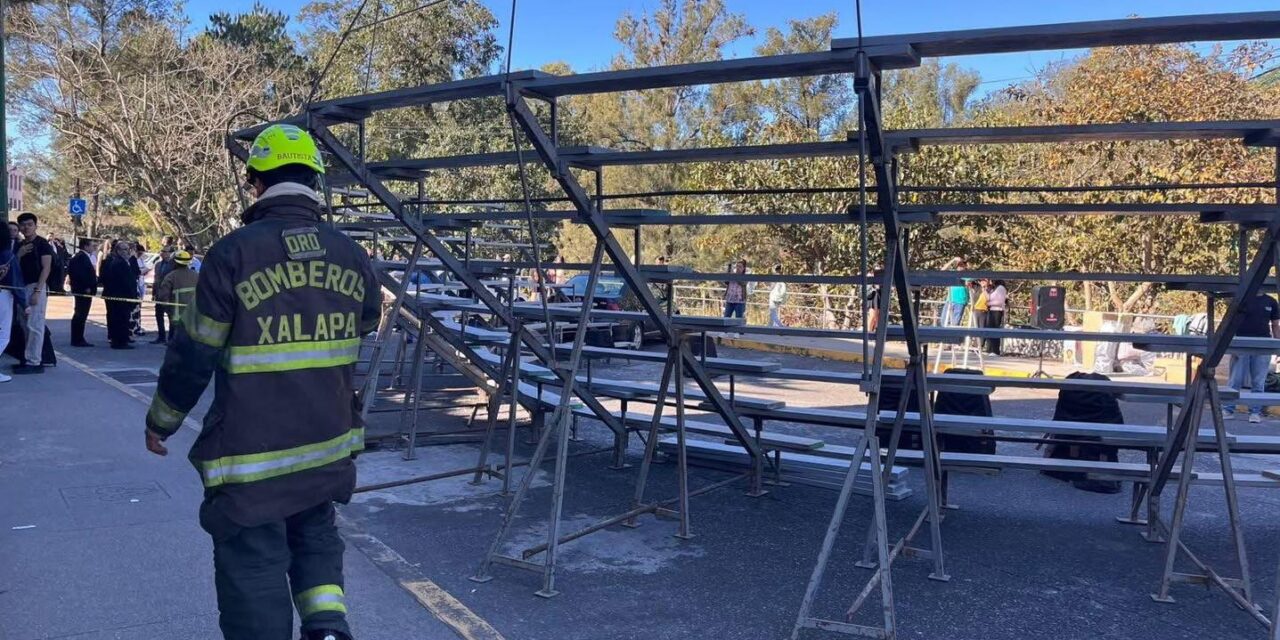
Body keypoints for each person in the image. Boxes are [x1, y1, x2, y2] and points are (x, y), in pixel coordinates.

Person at [144, 124, 379, 640]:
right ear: (315, 181)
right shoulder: (352, 255)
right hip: (326, 443)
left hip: (251, 455)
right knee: (316, 536)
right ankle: (329, 631)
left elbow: (193, 352)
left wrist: (161, 420)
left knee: (252, 560)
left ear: (255, 183)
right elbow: (364, 324)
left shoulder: (233, 254)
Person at [1225, 293, 1280, 423]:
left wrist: (1277, 346)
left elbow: (1275, 325)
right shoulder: (1242, 298)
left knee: (1258, 382)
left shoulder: (1271, 301)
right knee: (1235, 379)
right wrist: (1231, 343)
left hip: (1263, 345)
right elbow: (1230, 320)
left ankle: (1255, 412)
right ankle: (1228, 409)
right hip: (1240, 343)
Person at [12, 212, 54, 374]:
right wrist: (19, 255)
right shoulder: (20, 245)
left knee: (35, 325)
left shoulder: (42, 244)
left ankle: (35, 361)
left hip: (35, 286)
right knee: (24, 325)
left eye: (29, 224)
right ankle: (28, 357)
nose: (26, 227)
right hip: (21, 287)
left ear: (35, 226)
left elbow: (47, 268)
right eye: (23, 225)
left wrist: (37, 291)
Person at [100, 240, 138, 349]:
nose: (126, 252)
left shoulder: (124, 262)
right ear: (117, 250)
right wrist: (131, 295)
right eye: (124, 249)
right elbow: (125, 282)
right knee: (119, 319)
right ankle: (119, 342)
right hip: (120, 296)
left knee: (122, 318)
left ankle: (122, 339)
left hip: (121, 296)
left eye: (127, 249)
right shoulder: (118, 263)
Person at [155, 250, 199, 331]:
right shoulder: (196, 275)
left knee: (175, 339)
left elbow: (163, 297)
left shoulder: (170, 277)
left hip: (177, 317)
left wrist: (168, 310)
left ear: (175, 262)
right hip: (193, 316)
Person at [68, 238, 100, 347]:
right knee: (80, 314)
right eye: (92, 246)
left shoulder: (84, 257)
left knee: (82, 314)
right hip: (83, 291)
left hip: (85, 290)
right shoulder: (80, 258)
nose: (93, 248)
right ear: (86, 246)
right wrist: (86, 286)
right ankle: (77, 339)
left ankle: (79, 337)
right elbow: (79, 274)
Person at [151, 246, 177, 344]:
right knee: (158, 315)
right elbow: (156, 279)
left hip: (169, 294)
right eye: (161, 251)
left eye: (165, 251)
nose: (162, 253)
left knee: (171, 317)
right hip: (159, 294)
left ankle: (171, 338)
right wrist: (154, 293)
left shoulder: (174, 265)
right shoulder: (157, 265)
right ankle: (161, 336)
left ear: (170, 253)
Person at [941, 258, 968, 327]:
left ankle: (953, 337)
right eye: (959, 265)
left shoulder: (967, 275)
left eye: (962, 265)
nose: (960, 267)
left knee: (955, 324)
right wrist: (953, 260)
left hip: (960, 301)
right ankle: (943, 337)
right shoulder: (953, 273)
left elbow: (973, 279)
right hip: (950, 300)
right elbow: (942, 270)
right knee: (944, 321)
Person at [983, 279, 1008, 356]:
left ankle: (995, 350)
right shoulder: (995, 289)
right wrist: (984, 289)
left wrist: (989, 303)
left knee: (995, 329)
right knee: (989, 329)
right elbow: (988, 297)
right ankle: (990, 349)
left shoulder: (1000, 288)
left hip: (997, 310)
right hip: (992, 310)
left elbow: (1000, 301)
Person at [131, 242, 147, 337]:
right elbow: (137, 272)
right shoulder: (133, 260)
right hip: (136, 285)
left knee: (138, 308)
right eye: (139, 253)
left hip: (141, 284)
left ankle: (138, 326)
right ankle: (135, 327)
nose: (140, 255)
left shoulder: (140, 260)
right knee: (134, 309)